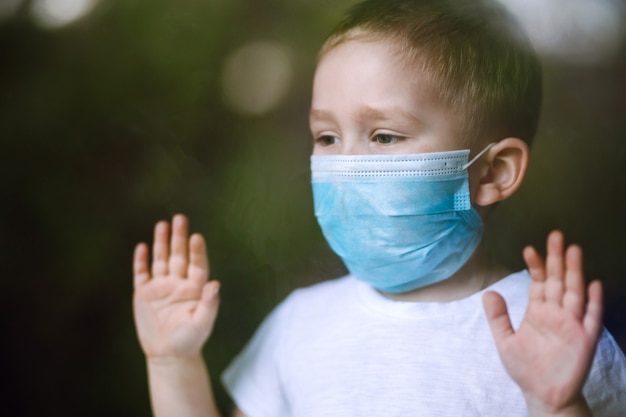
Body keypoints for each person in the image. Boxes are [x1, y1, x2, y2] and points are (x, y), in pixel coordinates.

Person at [132, 0, 626, 416]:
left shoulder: (551, 331)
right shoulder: (299, 326)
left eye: (384, 136)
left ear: (492, 173)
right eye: (326, 137)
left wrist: (556, 405)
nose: (345, 167)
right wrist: (172, 364)